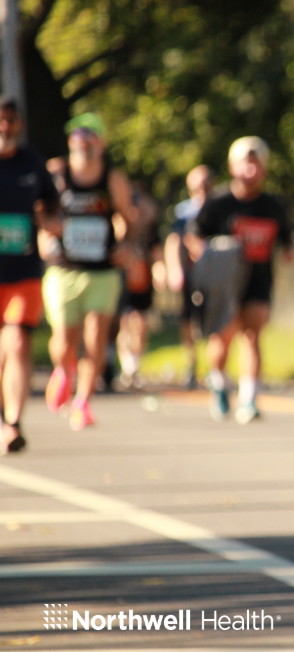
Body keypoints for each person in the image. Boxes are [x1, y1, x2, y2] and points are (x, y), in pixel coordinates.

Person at [41, 113, 139, 430]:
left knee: (95, 338)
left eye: (90, 136)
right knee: (64, 341)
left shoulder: (112, 179)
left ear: (102, 143)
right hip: (63, 269)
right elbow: (39, 211)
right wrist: (45, 232)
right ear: (70, 141)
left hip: (101, 270)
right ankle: (63, 370)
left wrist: (126, 245)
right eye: (78, 136)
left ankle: (83, 401)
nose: (84, 142)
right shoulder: (57, 174)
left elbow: (128, 217)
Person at [189, 137, 293, 424]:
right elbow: (194, 237)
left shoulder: (273, 205)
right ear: (233, 166)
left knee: (252, 334)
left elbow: (287, 243)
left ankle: (249, 398)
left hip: (258, 279)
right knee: (223, 338)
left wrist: (288, 253)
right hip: (225, 283)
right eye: (245, 162)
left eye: (256, 162)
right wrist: (212, 256)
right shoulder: (218, 203)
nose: (250, 169)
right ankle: (219, 383)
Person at [0, 96, 60, 453]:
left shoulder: (32, 163)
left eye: (10, 120)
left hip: (23, 272)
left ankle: (13, 422)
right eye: (0, 120)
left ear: (19, 124)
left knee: (18, 343)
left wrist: (48, 221)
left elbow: (52, 204)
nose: (5, 127)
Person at [165, 165, 214, 389]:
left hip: (214, 274)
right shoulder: (183, 212)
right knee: (188, 320)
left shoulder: (219, 206)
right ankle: (192, 364)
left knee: (215, 320)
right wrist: (174, 269)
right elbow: (174, 241)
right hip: (191, 273)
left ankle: (215, 367)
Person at [114, 179, 163, 389]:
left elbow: (156, 250)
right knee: (125, 321)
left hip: (143, 278)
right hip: (122, 279)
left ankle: (134, 364)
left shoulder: (149, 228)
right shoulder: (118, 224)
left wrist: (160, 271)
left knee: (139, 321)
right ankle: (126, 365)